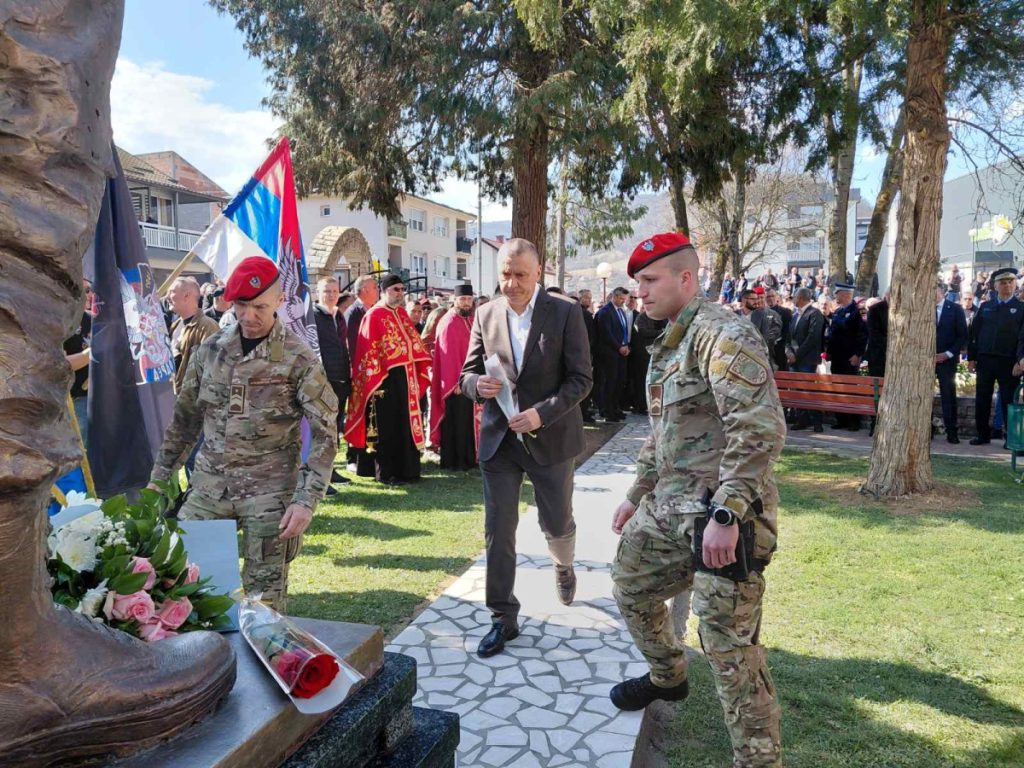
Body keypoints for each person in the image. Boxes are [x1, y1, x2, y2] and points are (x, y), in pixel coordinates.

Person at [609, 232, 783, 768]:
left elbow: (759, 429)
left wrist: (728, 514)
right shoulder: (669, 341)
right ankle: (668, 677)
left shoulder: (722, 335)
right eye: (637, 282)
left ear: (686, 279)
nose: (639, 291)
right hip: (669, 508)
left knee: (728, 649)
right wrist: (637, 493)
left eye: (650, 280)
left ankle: (758, 762)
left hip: (723, 517)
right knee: (630, 584)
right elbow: (661, 432)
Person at [149, 257, 338, 612]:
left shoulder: (299, 359)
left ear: (280, 301)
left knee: (262, 606)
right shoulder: (211, 350)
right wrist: (159, 480)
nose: (249, 316)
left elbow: (326, 435)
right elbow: (185, 421)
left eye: (260, 307)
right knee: (186, 589)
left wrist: (305, 500)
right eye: (241, 306)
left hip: (269, 495)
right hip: (209, 487)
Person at [460, 238, 592, 658]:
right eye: (504, 273)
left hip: (550, 438)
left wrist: (541, 414)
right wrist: (474, 386)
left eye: (520, 274)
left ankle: (563, 563)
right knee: (499, 530)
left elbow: (581, 379)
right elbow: (467, 374)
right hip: (500, 441)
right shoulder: (485, 313)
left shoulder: (566, 313)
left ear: (539, 272)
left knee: (557, 521)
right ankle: (503, 617)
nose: (511, 283)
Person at [345, 273, 431, 484]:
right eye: (396, 290)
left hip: (406, 380)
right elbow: (367, 351)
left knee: (406, 424)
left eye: (402, 290)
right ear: (384, 291)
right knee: (388, 427)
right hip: (384, 381)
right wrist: (376, 378)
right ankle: (388, 472)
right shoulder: (374, 315)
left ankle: (409, 470)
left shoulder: (402, 314)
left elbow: (413, 344)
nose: (400, 294)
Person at [967, 267, 1024, 446]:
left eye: (1010, 282)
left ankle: (1010, 438)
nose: (1007, 285)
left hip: (1009, 362)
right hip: (985, 360)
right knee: (982, 397)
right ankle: (983, 435)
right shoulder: (986, 307)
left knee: (1008, 400)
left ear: (1015, 284)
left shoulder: (1021, 308)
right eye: (1003, 282)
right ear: (995, 286)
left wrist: (1020, 360)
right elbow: (973, 333)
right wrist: (971, 357)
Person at [430, 284, 478, 471]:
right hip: (456, 383)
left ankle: (469, 458)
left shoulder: (472, 319)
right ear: (455, 300)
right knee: (456, 421)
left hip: (471, 380)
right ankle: (455, 461)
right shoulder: (449, 321)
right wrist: (457, 382)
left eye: (469, 299)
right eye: (462, 299)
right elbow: (449, 356)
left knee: (467, 422)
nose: (466, 303)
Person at [312, 276, 352, 490]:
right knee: (322, 431)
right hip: (323, 381)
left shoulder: (339, 316)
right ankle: (320, 476)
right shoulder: (314, 316)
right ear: (318, 293)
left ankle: (331, 470)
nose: (331, 295)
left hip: (341, 379)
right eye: (327, 291)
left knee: (335, 429)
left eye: (334, 291)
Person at [166, 276, 220, 394]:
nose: (167, 297)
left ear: (186, 296)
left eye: (172, 292)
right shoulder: (175, 326)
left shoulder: (208, 327)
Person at [827, 283, 867, 430]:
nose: (835, 296)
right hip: (837, 356)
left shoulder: (858, 311)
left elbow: (863, 334)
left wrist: (858, 354)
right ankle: (841, 419)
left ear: (844, 294)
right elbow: (833, 334)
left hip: (850, 357)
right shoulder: (837, 312)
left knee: (850, 388)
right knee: (838, 387)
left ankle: (853, 421)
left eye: (837, 293)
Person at [787, 287, 826, 432]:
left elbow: (812, 338)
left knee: (808, 389)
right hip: (794, 359)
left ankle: (816, 421)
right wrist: (789, 352)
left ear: (801, 298)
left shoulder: (814, 314)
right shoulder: (795, 315)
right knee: (797, 390)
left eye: (795, 297)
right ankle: (802, 419)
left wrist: (796, 355)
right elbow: (789, 337)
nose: (793, 299)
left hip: (807, 360)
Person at [936, 283, 969, 444]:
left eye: (934, 290)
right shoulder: (921, 308)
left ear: (942, 292)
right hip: (925, 362)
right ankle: (926, 430)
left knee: (948, 396)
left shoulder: (955, 309)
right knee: (921, 396)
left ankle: (951, 431)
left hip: (947, 361)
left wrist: (948, 354)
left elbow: (962, 335)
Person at [64, 279, 94, 446]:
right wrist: (91, 354)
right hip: (70, 399)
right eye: (84, 290)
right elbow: (59, 365)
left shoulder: (94, 321)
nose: (88, 294)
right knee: (76, 453)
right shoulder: (59, 321)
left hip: (93, 398)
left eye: (90, 289)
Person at [595, 287, 632, 422]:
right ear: (614, 297)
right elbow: (606, 334)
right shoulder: (605, 312)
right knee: (609, 383)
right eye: (621, 298)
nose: (623, 301)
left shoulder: (621, 311)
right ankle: (607, 411)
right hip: (609, 354)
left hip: (621, 353)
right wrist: (619, 347)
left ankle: (616, 408)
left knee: (619, 382)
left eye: (624, 299)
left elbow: (624, 330)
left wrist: (626, 345)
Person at [628, 299, 667, 414]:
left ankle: (653, 406)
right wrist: (660, 332)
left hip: (654, 354)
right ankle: (640, 405)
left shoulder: (658, 317)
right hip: (642, 355)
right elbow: (643, 331)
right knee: (641, 381)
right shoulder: (641, 318)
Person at [865, 291, 890, 436]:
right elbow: (874, 334)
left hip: (896, 361)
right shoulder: (875, 310)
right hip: (878, 358)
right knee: (876, 393)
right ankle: (875, 423)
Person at [578, 289, 599, 423]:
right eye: (586, 297)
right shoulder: (582, 314)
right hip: (583, 355)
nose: (589, 300)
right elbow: (589, 337)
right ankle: (583, 413)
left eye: (590, 298)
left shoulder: (586, 314)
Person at [765, 288, 792, 372]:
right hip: (765, 351)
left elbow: (788, 333)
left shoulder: (786, 312)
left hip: (781, 351)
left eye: (772, 296)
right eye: (768, 296)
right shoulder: (760, 313)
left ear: (777, 297)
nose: (770, 298)